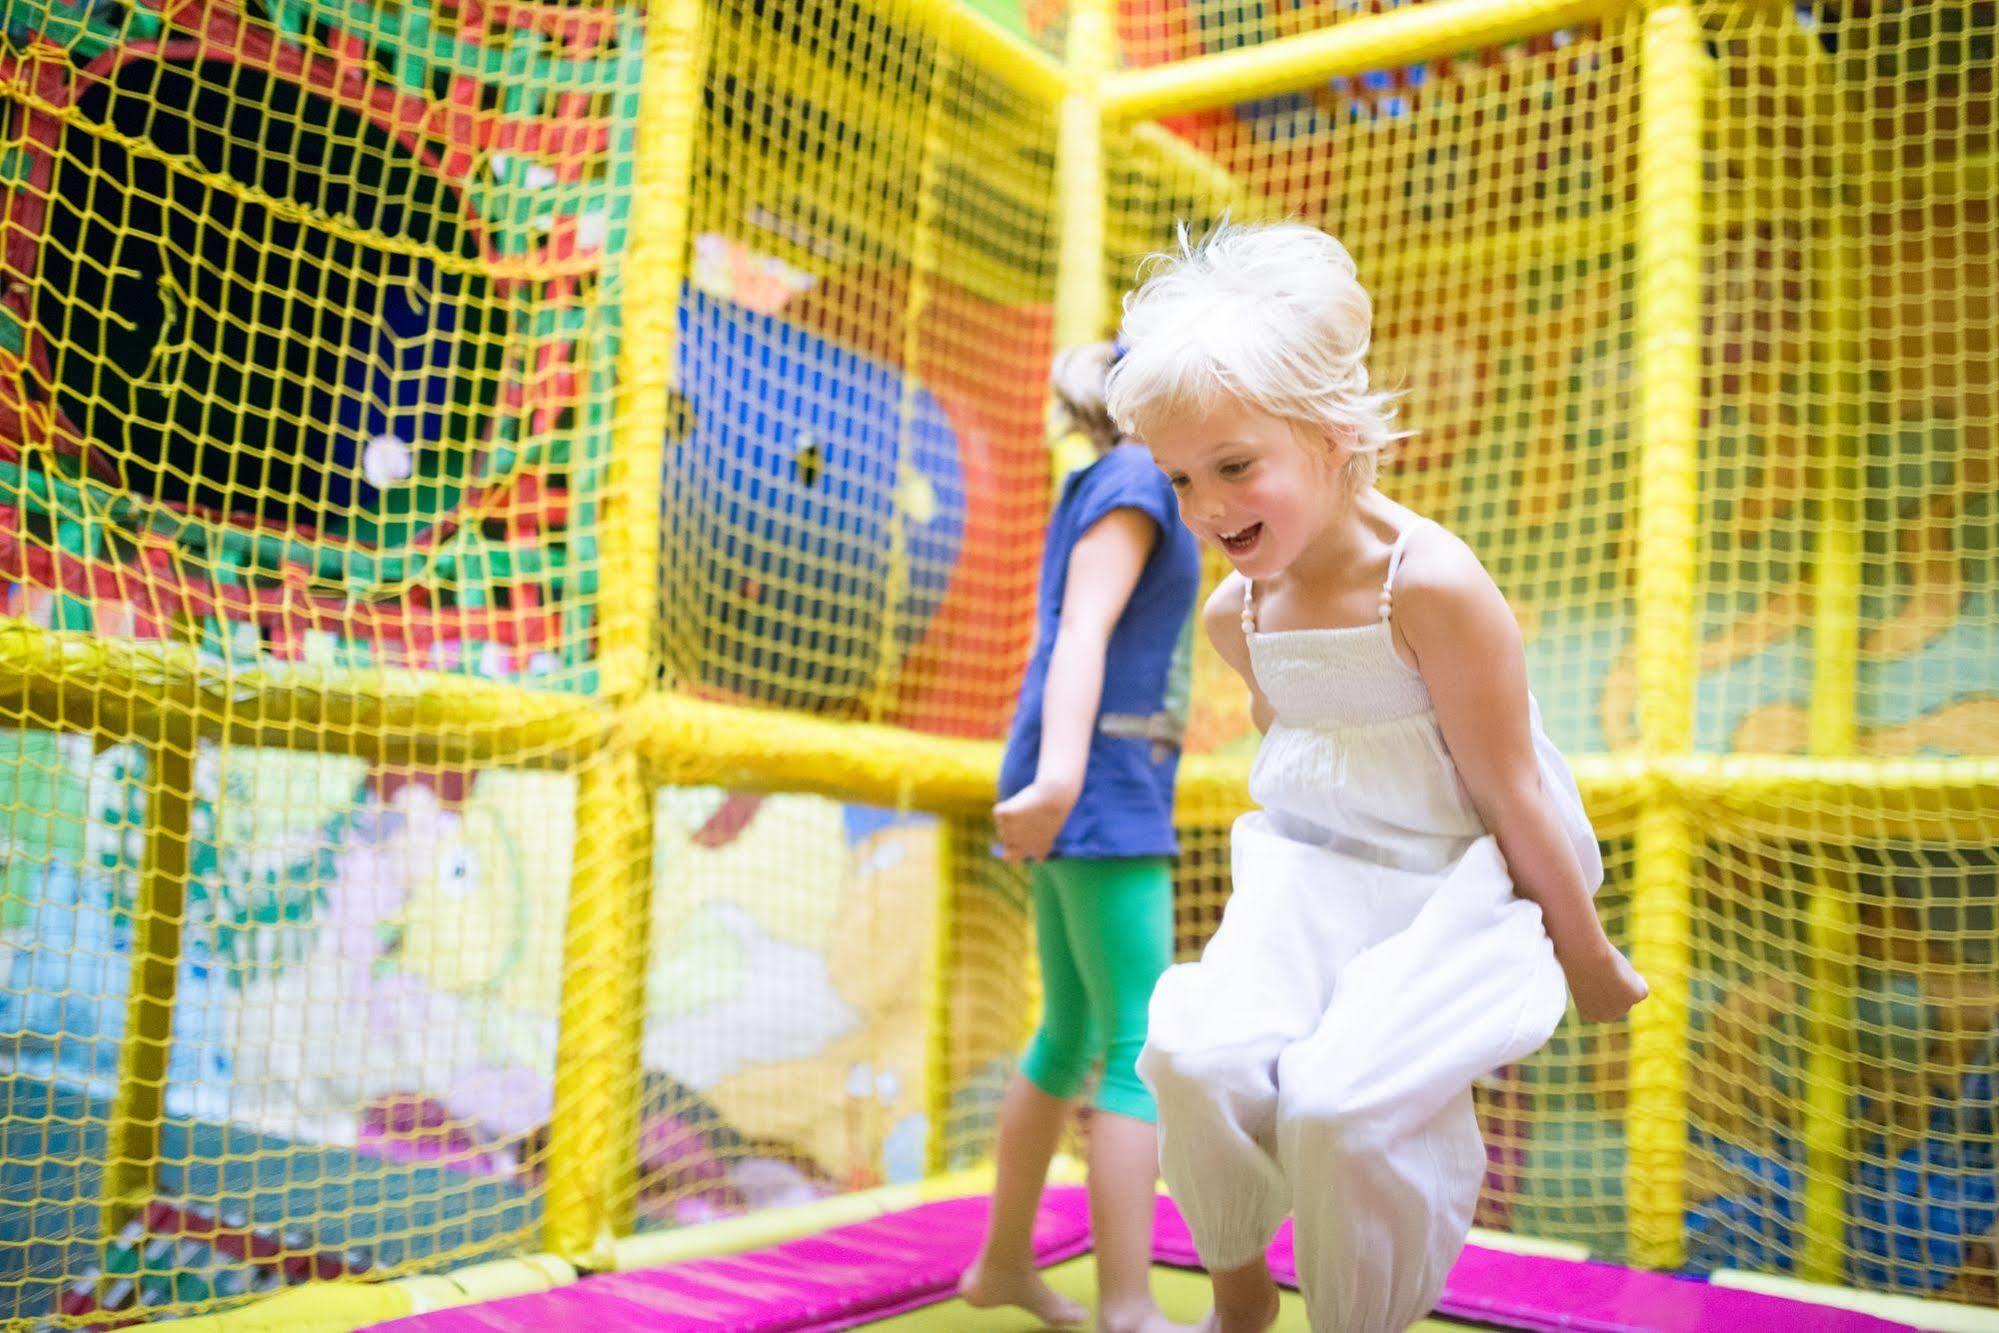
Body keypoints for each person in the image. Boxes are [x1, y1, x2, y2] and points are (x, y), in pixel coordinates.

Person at [1104, 220, 1649, 1333]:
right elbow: (1301, 753)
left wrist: (1585, 952)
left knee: (1337, 1109)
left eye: (1235, 466)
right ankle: (1239, 1289)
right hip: (1308, 888)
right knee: (1188, 1052)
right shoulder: (1237, 610)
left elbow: (1510, 792)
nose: (1206, 508)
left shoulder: (1431, 586)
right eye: (1180, 477)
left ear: (1334, 431)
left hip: (1447, 893)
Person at [958, 340, 1203, 1333]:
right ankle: (1130, 1307)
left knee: (1068, 1032)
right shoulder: (1139, 476)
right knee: (1138, 1046)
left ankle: (1003, 1262)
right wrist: (1059, 781)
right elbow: (1081, 631)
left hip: (1086, 781)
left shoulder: (1117, 475)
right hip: (1098, 786)